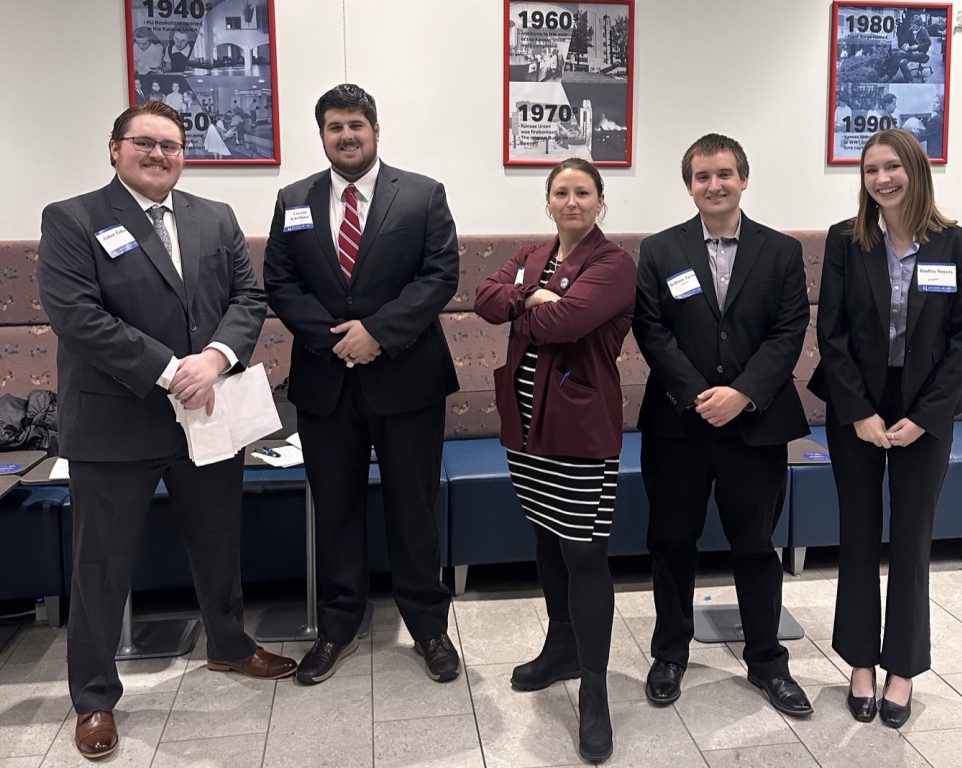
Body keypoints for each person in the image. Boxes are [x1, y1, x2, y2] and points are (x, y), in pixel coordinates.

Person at [36, 102, 296, 760]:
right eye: (145, 143)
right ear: (115, 148)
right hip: (115, 421)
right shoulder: (72, 219)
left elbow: (247, 297)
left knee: (218, 543)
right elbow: (77, 317)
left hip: (209, 412)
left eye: (172, 145)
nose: (159, 155)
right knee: (101, 565)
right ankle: (94, 697)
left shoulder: (215, 217)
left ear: (185, 153)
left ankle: (230, 647)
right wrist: (169, 368)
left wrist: (214, 358)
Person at [264, 83, 461, 686]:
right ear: (321, 135)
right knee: (338, 512)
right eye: (333, 127)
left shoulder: (423, 194)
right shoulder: (293, 198)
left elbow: (440, 275)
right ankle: (338, 625)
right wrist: (334, 338)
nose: (346, 136)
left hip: (407, 381)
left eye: (355, 125)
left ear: (376, 130)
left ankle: (428, 625)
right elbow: (280, 281)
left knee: (414, 510)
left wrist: (377, 332)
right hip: (326, 384)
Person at [633, 134, 813, 717]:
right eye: (703, 176)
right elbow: (651, 329)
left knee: (756, 548)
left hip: (754, 427)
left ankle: (766, 661)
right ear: (689, 185)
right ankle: (669, 654)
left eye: (725, 174)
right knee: (670, 544)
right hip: (678, 427)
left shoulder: (781, 251)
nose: (715, 184)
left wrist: (741, 394)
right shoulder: (659, 250)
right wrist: (695, 394)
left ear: (744, 179)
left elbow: (789, 332)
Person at [807, 128, 962, 727]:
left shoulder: (955, 245)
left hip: (925, 409)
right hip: (856, 404)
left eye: (892, 167)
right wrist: (858, 412)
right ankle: (859, 661)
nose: (881, 178)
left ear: (915, 170)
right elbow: (830, 334)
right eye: (870, 169)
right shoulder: (845, 242)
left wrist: (925, 417)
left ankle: (902, 668)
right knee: (857, 533)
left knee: (912, 540)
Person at [474, 158, 636, 763]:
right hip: (526, 425)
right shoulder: (530, 255)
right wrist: (528, 293)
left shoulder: (615, 263)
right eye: (562, 192)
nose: (572, 201)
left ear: (600, 201)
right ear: (548, 201)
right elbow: (486, 299)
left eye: (583, 192)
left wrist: (541, 302)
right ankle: (560, 646)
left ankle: (594, 690)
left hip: (578, 426)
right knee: (546, 537)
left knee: (584, 551)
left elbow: (567, 321)